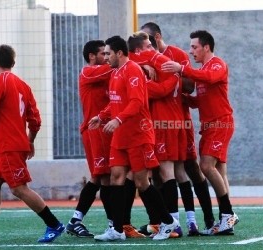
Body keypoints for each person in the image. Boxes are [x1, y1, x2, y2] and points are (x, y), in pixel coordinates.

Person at [0, 44, 64, 243]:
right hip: (3, 147)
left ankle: (54, 224)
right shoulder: (23, 85)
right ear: (13, 63)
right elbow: (35, 120)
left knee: (18, 188)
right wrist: (30, 141)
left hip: (8, 146)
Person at [88, 35, 179, 241]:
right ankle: (118, 229)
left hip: (138, 134)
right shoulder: (115, 73)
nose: (105, 57)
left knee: (141, 182)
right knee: (116, 177)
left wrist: (118, 120)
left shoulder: (132, 71)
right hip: (121, 136)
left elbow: (137, 102)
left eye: (108, 53)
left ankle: (168, 222)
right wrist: (101, 116)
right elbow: (116, 101)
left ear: (119, 53)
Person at [141, 22, 216, 235]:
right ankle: (162, 221)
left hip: (179, 121)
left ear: (156, 37)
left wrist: (170, 76)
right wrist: (145, 69)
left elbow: (190, 86)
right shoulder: (143, 59)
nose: (144, 47)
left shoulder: (177, 55)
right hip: (155, 122)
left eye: (147, 41)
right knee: (159, 173)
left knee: (190, 168)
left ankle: (204, 218)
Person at [162, 30, 239, 235]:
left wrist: (182, 68)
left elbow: (210, 77)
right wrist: (182, 98)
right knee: (219, 171)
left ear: (206, 47)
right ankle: (226, 220)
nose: (191, 51)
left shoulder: (216, 65)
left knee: (206, 166)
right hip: (209, 126)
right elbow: (200, 101)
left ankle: (228, 213)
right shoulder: (203, 69)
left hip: (220, 124)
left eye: (194, 47)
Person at [65, 40, 117, 238]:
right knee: (105, 177)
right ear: (91, 57)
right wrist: (136, 63)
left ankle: (76, 220)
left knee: (100, 177)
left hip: (105, 129)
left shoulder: (105, 74)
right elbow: (114, 69)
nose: (106, 57)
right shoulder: (88, 72)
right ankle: (114, 225)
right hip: (95, 130)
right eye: (103, 54)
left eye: (108, 53)